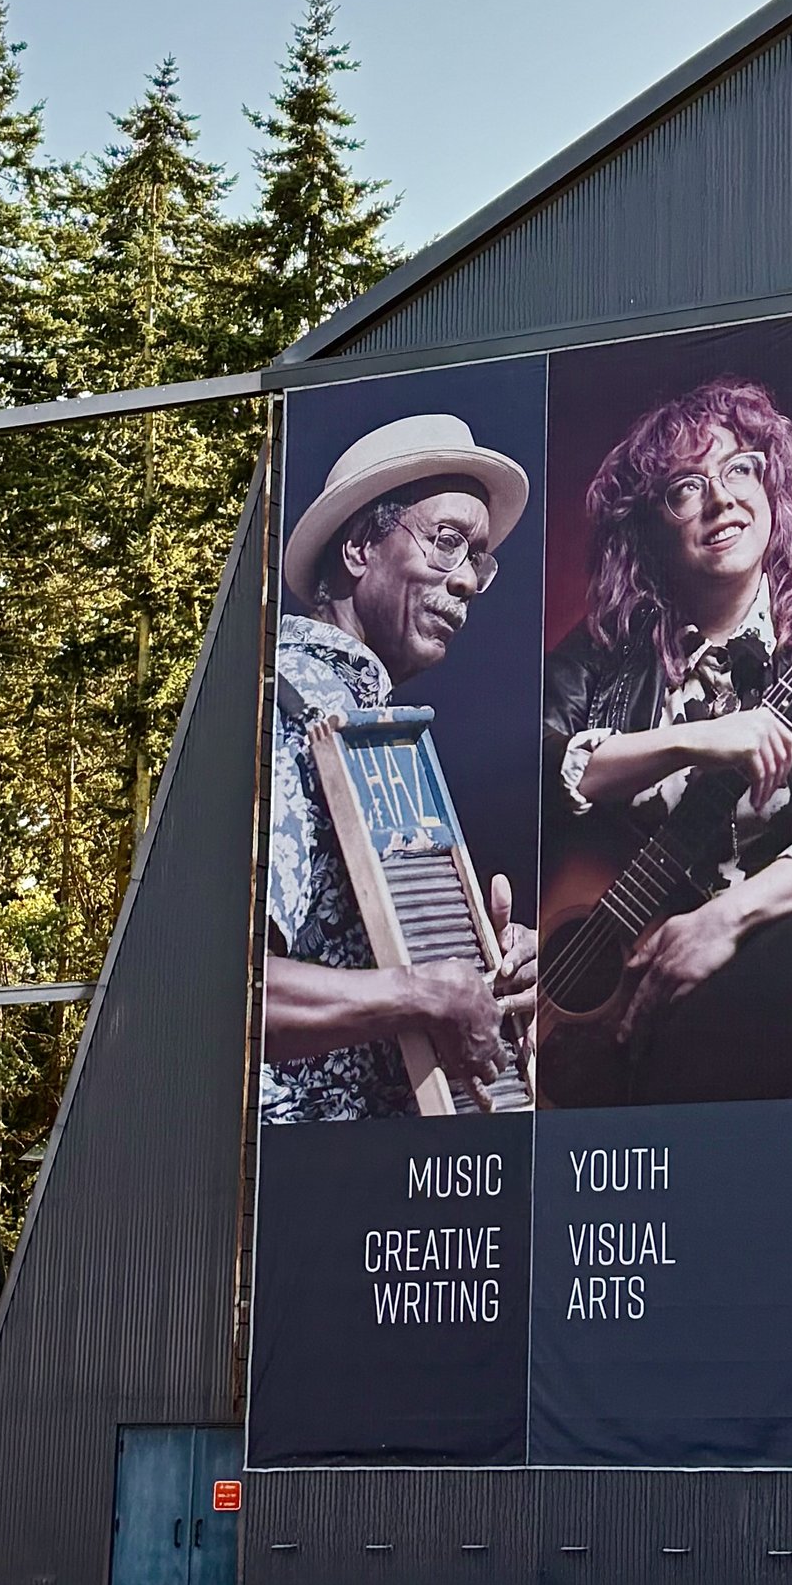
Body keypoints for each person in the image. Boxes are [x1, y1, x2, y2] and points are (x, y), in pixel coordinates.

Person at [539, 376, 792, 1104]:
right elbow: (540, 767)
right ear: (651, 526)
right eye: (685, 487)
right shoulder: (605, 652)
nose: (722, 498)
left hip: (766, 979)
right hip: (591, 1009)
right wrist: (700, 740)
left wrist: (727, 919)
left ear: (773, 490)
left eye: (740, 468)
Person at [262, 409, 539, 1122]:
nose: (469, 579)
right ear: (359, 546)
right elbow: (221, 990)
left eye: (479, 557)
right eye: (447, 543)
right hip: (287, 1186)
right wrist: (423, 994)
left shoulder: (383, 729)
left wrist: (484, 968)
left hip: (379, 1189)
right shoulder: (286, 705)